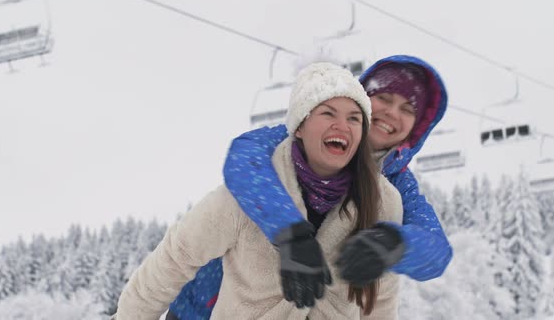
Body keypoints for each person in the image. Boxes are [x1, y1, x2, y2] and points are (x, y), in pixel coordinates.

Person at [167, 55, 453, 319]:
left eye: (407, 109)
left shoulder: (398, 185)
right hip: (204, 304)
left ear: (417, 126)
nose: (392, 113)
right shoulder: (298, 140)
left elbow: (436, 250)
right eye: (385, 98)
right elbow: (245, 158)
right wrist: (290, 233)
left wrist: (396, 244)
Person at [114, 62, 404, 319]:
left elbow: (380, 300)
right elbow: (176, 257)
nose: (342, 125)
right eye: (328, 113)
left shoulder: (382, 201)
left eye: (354, 118)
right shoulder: (251, 192)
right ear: (300, 127)